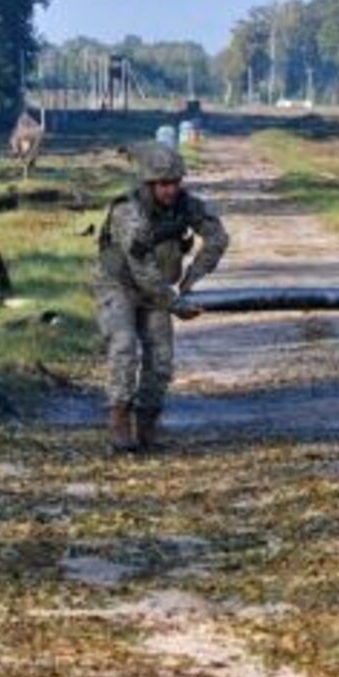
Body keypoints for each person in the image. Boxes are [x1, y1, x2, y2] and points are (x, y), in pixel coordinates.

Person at [96, 141, 229, 452]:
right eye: (163, 184)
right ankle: (119, 419)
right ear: (148, 183)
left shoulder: (186, 205)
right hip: (119, 287)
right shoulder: (128, 212)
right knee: (124, 345)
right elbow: (141, 269)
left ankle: (147, 425)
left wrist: (191, 278)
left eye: (175, 182)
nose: (171, 190)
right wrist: (175, 303)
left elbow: (217, 237)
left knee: (161, 359)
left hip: (159, 291)